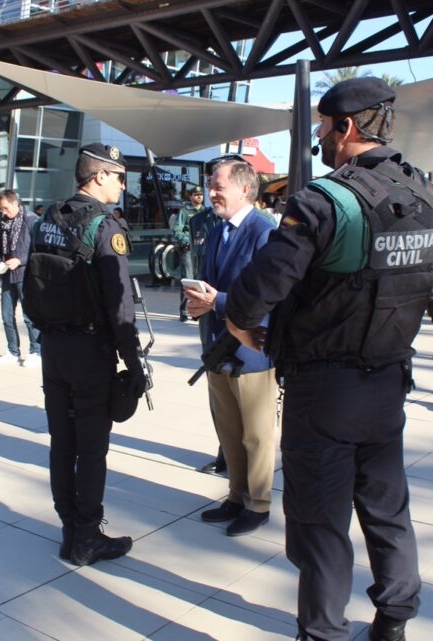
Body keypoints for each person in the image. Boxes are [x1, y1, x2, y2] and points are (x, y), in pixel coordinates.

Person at [223, 77, 433, 641]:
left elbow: (258, 292)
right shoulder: (428, 198)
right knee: (386, 509)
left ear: (346, 127)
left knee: (321, 521)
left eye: (325, 127)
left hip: (324, 389)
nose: (321, 137)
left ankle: (323, 631)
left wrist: (237, 323)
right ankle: (394, 620)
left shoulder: (324, 200)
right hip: (388, 382)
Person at [23, 143, 146, 566]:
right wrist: (134, 364)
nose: (122, 184)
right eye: (118, 176)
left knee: (62, 443)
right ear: (98, 177)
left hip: (53, 348)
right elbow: (120, 306)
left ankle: (69, 530)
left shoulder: (48, 218)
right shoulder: (104, 227)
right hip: (90, 351)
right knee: (91, 449)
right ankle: (88, 537)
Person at [184, 158, 277, 537]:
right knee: (228, 431)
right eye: (210, 185)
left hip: (251, 351)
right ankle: (237, 496)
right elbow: (209, 282)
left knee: (256, 434)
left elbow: (265, 295)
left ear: (244, 188)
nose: (212, 192)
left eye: (219, 185)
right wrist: (194, 303)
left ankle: (258, 504)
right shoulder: (218, 230)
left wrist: (217, 302)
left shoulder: (265, 231)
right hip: (217, 349)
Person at [186, 186, 224, 476]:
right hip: (207, 317)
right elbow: (195, 262)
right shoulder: (198, 222)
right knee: (216, 384)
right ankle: (224, 451)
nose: (212, 192)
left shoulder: (259, 224)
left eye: (220, 186)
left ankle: (240, 455)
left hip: (237, 312)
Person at [0, 190, 41, 366]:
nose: (3, 212)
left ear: (15, 203)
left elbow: (37, 249)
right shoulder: (4, 222)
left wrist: (20, 260)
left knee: (29, 316)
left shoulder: (31, 220)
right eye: (0, 209)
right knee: (6, 315)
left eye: (5, 208)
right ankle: (12, 351)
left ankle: (36, 351)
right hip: (7, 275)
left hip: (24, 274)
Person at [171, 186, 207, 322]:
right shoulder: (184, 212)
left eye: (201, 195)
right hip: (189, 250)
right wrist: (188, 241)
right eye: (196, 195)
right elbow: (177, 230)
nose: (199, 197)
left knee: (202, 280)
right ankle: (184, 311)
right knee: (188, 280)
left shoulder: (206, 212)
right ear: (190, 197)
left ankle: (199, 309)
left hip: (203, 250)